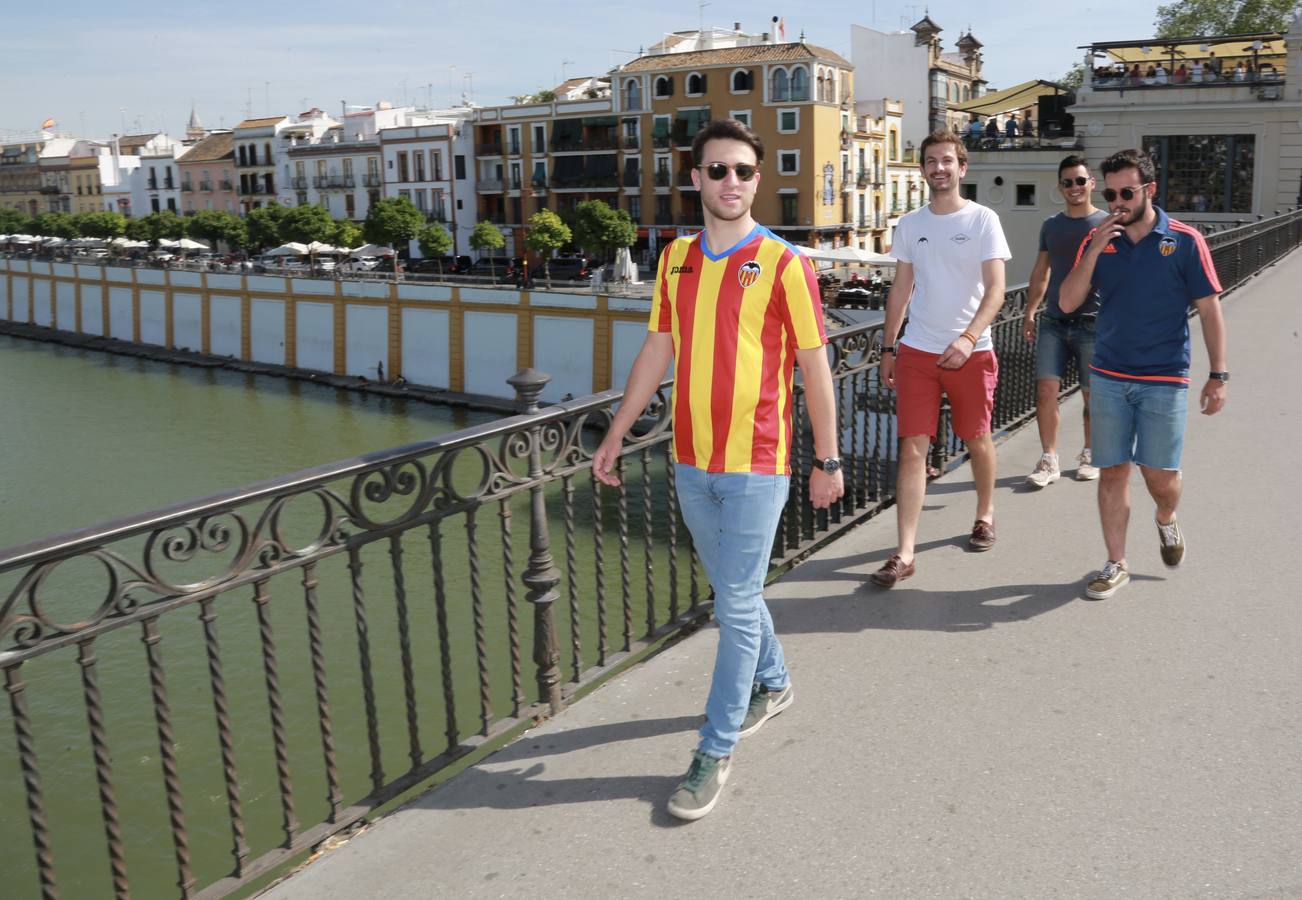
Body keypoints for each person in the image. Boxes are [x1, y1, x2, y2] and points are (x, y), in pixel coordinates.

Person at [592, 118, 843, 820]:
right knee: (736, 593)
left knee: (731, 604)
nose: (731, 182)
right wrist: (617, 431)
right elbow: (657, 350)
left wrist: (828, 459)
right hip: (688, 460)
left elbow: (815, 368)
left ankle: (715, 746)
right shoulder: (675, 260)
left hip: (759, 464)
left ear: (757, 180)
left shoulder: (787, 263)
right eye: (718, 170)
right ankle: (775, 679)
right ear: (695, 179)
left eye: (744, 171)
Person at [1059, 148, 1227, 600]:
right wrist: (1094, 249)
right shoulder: (1098, 241)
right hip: (1109, 375)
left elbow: (1210, 310)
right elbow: (1068, 302)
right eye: (1110, 193)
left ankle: (1166, 519)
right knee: (1112, 472)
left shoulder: (1186, 241)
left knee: (1160, 478)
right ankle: (1116, 562)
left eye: (1126, 193)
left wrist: (1218, 375)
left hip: (1165, 377)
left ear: (1149, 191)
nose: (1117, 202)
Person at [871, 130, 1011, 588]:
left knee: (976, 438)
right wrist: (889, 347)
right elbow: (901, 290)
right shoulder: (910, 225)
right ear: (924, 170)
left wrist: (970, 338)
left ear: (961, 167)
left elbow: (996, 290)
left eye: (947, 160)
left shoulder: (983, 220)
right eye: (931, 161)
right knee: (913, 448)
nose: (939, 168)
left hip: (972, 352)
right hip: (918, 351)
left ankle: (985, 514)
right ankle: (905, 552)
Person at [1021, 155, 1109, 488]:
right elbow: (1041, 272)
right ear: (1060, 187)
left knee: (1091, 394)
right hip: (1054, 322)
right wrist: (1030, 310)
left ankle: (1090, 452)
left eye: (1080, 180)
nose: (1074, 187)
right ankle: (1049, 459)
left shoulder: (1106, 223)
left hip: (1094, 322)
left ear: (1091, 184)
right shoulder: (1051, 226)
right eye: (1068, 182)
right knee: (1046, 390)